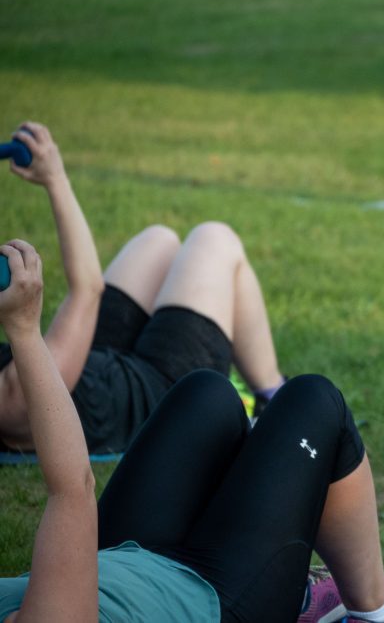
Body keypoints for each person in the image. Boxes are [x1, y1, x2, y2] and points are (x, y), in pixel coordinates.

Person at [0, 239, 384, 622]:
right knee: (312, 401)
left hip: (116, 567)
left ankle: (290, 582)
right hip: (221, 605)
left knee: (207, 394)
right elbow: (70, 487)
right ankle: (378, 613)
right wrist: (23, 329)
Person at [0, 121, 286, 454]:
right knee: (215, 239)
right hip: (157, 397)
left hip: (95, 365)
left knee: (158, 241)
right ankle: (275, 399)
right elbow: (87, 288)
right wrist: (55, 180)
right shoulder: (17, 401)